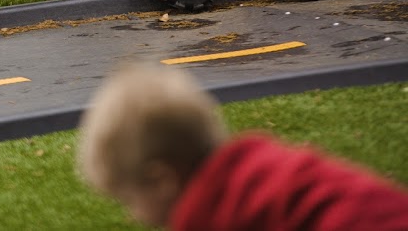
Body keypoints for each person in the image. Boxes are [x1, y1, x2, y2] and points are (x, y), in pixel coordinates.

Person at [78, 63, 408, 230]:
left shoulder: (214, 217)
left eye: (128, 199)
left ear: (162, 180)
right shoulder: (258, 168)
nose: (132, 214)